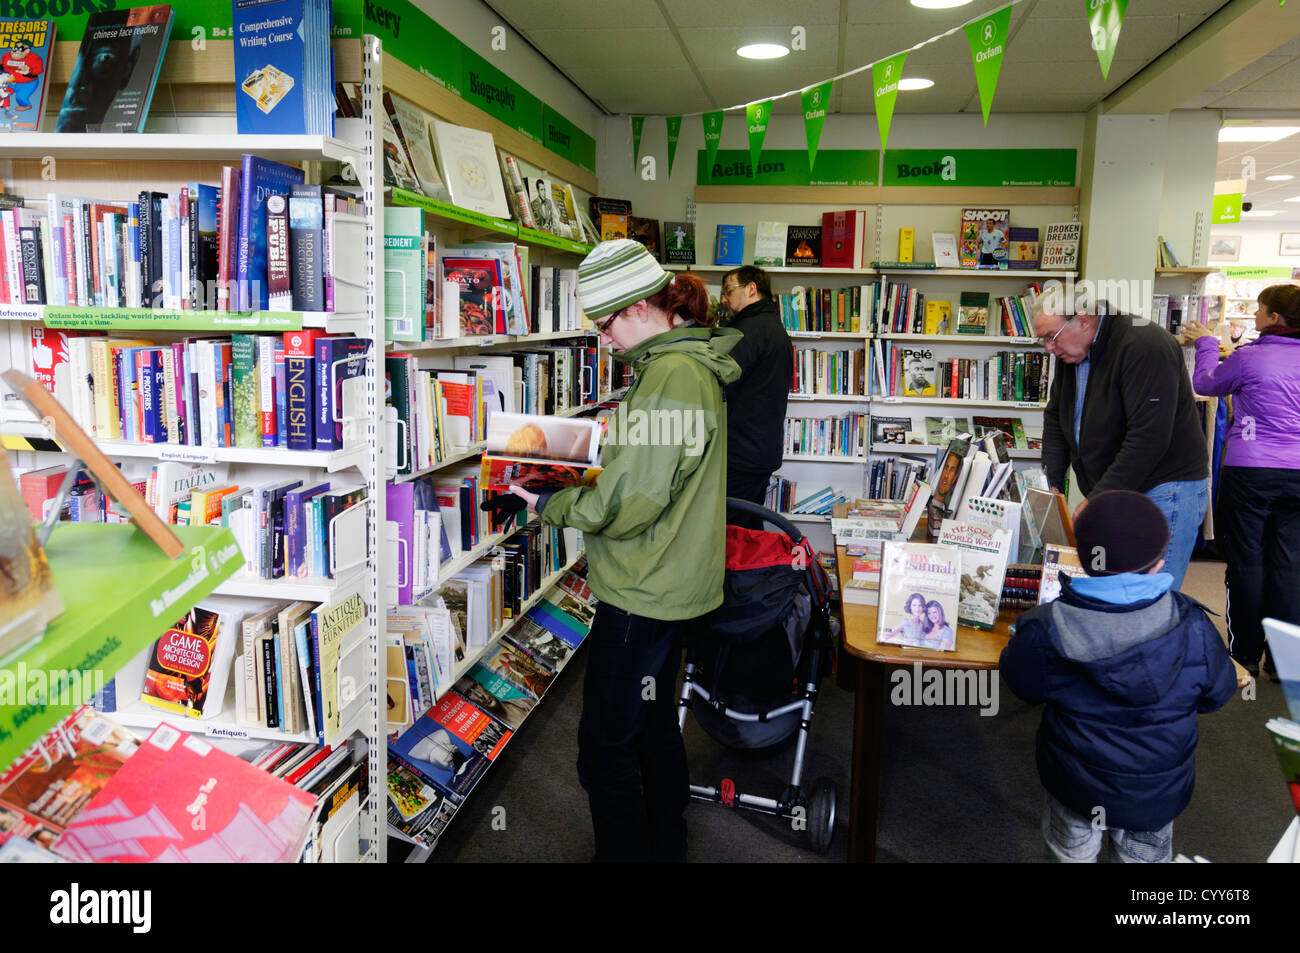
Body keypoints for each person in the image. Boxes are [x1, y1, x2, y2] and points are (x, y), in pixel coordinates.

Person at [494, 239, 741, 862]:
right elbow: (655, 470)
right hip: (668, 579)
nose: (602, 342)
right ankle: (665, 847)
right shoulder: (684, 365)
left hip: (643, 589)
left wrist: (547, 499)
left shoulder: (670, 376)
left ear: (636, 307)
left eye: (604, 326)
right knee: (651, 730)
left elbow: (628, 503)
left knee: (605, 748)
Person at [1000, 490, 1245, 863]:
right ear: (1159, 563)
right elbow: (1218, 694)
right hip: (1154, 797)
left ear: (1082, 557)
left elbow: (1021, 684)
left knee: (1070, 855)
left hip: (1077, 789)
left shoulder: (1046, 628)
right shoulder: (1195, 626)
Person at [1032, 291, 1209, 589]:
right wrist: (1051, 484)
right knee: (1114, 588)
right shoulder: (1072, 351)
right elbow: (1056, 419)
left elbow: (1149, 438)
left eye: (1052, 336)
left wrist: (1098, 497)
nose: (1049, 348)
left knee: (1152, 595)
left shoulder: (1144, 344)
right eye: (1043, 340)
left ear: (1083, 320)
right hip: (1120, 487)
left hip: (1165, 489)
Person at [1180, 284, 1300, 679]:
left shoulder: (1251, 357)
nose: (1255, 316)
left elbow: (1206, 383)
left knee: (1247, 560)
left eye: (1260, 310)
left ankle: (1245, 653)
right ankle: (1284, 663)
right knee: (1290, 563)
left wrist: (1208, 344)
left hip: (1251, 470)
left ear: (1274, 318)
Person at [717, 266, 792, 505]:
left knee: (733, 529)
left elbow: (722, 385)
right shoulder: (773, 327)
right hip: (759, 449)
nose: (723, 298)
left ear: (751, 289)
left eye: (729, 290)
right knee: (748, 524)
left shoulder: (746, 332)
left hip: (740, 453)